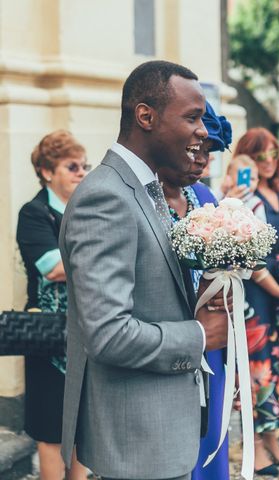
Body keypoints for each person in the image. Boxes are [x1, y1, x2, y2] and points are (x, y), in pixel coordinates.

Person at [59, 60, 229, 480]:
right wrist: (200, 335)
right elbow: (109, 334)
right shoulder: (107, 197)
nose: (204, 131)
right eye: (191, 117)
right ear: (146, 116)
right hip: (138, 441)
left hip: (163, 431)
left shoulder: (145, 187)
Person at [158, 100, 232, 480]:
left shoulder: (206, 198)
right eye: (197, 148)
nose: (203, 158)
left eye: (210, 151)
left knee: (211, 437)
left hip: (212, 341)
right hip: (168, 339)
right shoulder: (148, 197)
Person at [234, 127, 279, 476]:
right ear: (247, 157)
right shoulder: (246, 198)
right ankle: (256, 447)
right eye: (260, 155)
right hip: (258, 294)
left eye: (273, 154)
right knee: (258, 368)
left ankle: (274, 440)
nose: (268, 161)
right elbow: (249, 256)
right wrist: (276, 288)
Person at [16, 130, 89, 480]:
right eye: (72, 166)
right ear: (47, 172)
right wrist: (99, 253)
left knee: (83, 430)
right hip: (48, 338)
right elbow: (54, 268)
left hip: (87, 332)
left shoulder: (85, 211)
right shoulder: (34, 214)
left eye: (84, 166)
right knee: (51, 433)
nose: (81, 172)